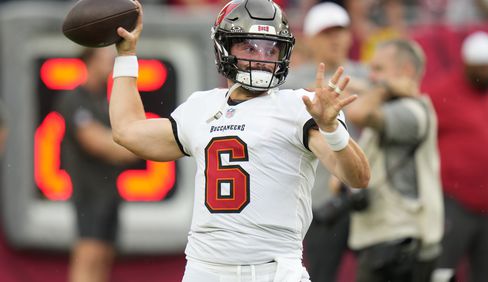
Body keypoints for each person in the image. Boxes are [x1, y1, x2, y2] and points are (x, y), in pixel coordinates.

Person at [109, 0, 370, 281]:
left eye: (271, 49)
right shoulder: (202, 106)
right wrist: (126, 55)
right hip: (204, 269)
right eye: (249, 47)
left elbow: (357, 177)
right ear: (224, 47)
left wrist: (332, 129)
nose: (261, 57)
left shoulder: (297, 105)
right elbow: (127, 130)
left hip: (271, 270)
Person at [283, 3, 369, 282]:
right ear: (309, 39)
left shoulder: (367, 74)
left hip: (367, 197)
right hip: (320, 199)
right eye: (326, 33)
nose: (335, 39)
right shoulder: (293, 80)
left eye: (340, 31)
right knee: (320, 275)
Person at [345, 39, 443, 282]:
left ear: (407, 71)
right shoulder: (391, 106)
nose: (372, 75)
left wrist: (383, 87)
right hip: (388, 239)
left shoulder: (411, 111)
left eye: (378, 69)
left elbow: (358, 113)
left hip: (399, 241)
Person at [56, 47, 138, 282]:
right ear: (90, 59)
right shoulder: (74, 99)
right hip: (88, 192)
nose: (111, 64)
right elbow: (94, 141)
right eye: (106, 59)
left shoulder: (105, 102)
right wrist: (133, 145)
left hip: (110, 192)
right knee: (88, 255)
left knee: (103, 256)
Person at [428, 31, 488, 282]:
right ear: (466, 65)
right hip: (454, 201)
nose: (487, 73)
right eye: (481, 67)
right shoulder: (442, 93)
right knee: (442, 272)